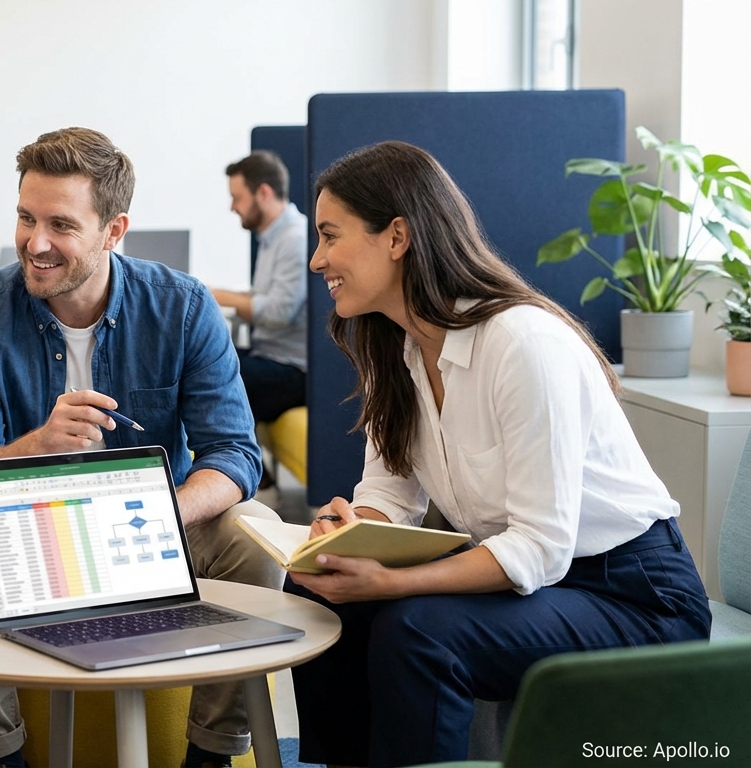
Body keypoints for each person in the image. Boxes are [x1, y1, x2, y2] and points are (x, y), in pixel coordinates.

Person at [288, 140, 711, 767]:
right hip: (542, 581)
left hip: (634, 594)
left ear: (397, 236)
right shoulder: (394, 350)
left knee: (418, 631)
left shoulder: (522, 344)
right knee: (324, 598)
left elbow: (541, 545)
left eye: (330, 235)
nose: (318, 258)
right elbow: (391, 497)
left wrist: (396, 582)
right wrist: (348, 533)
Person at [0, 127, 286, 768]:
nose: (34, 243)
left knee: (255, 531)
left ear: (113, 231)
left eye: (61, 225)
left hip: (155, 528)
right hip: (27, 529)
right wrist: (37, 443)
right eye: (25, 218)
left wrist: (166, 513)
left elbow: (234, 453)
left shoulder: (181, 307)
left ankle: (210, 752)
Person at [208, 151, 308, 492]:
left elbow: (278, 313)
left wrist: (217, 295)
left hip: (295, 370)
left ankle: (251, 480)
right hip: (271, 356)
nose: (233, 207)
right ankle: (251, 475)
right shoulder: (272, 238)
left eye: (237, 198)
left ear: (263, 193)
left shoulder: (295, 239)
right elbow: (263, 297)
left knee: (210, 379)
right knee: (205, 362)